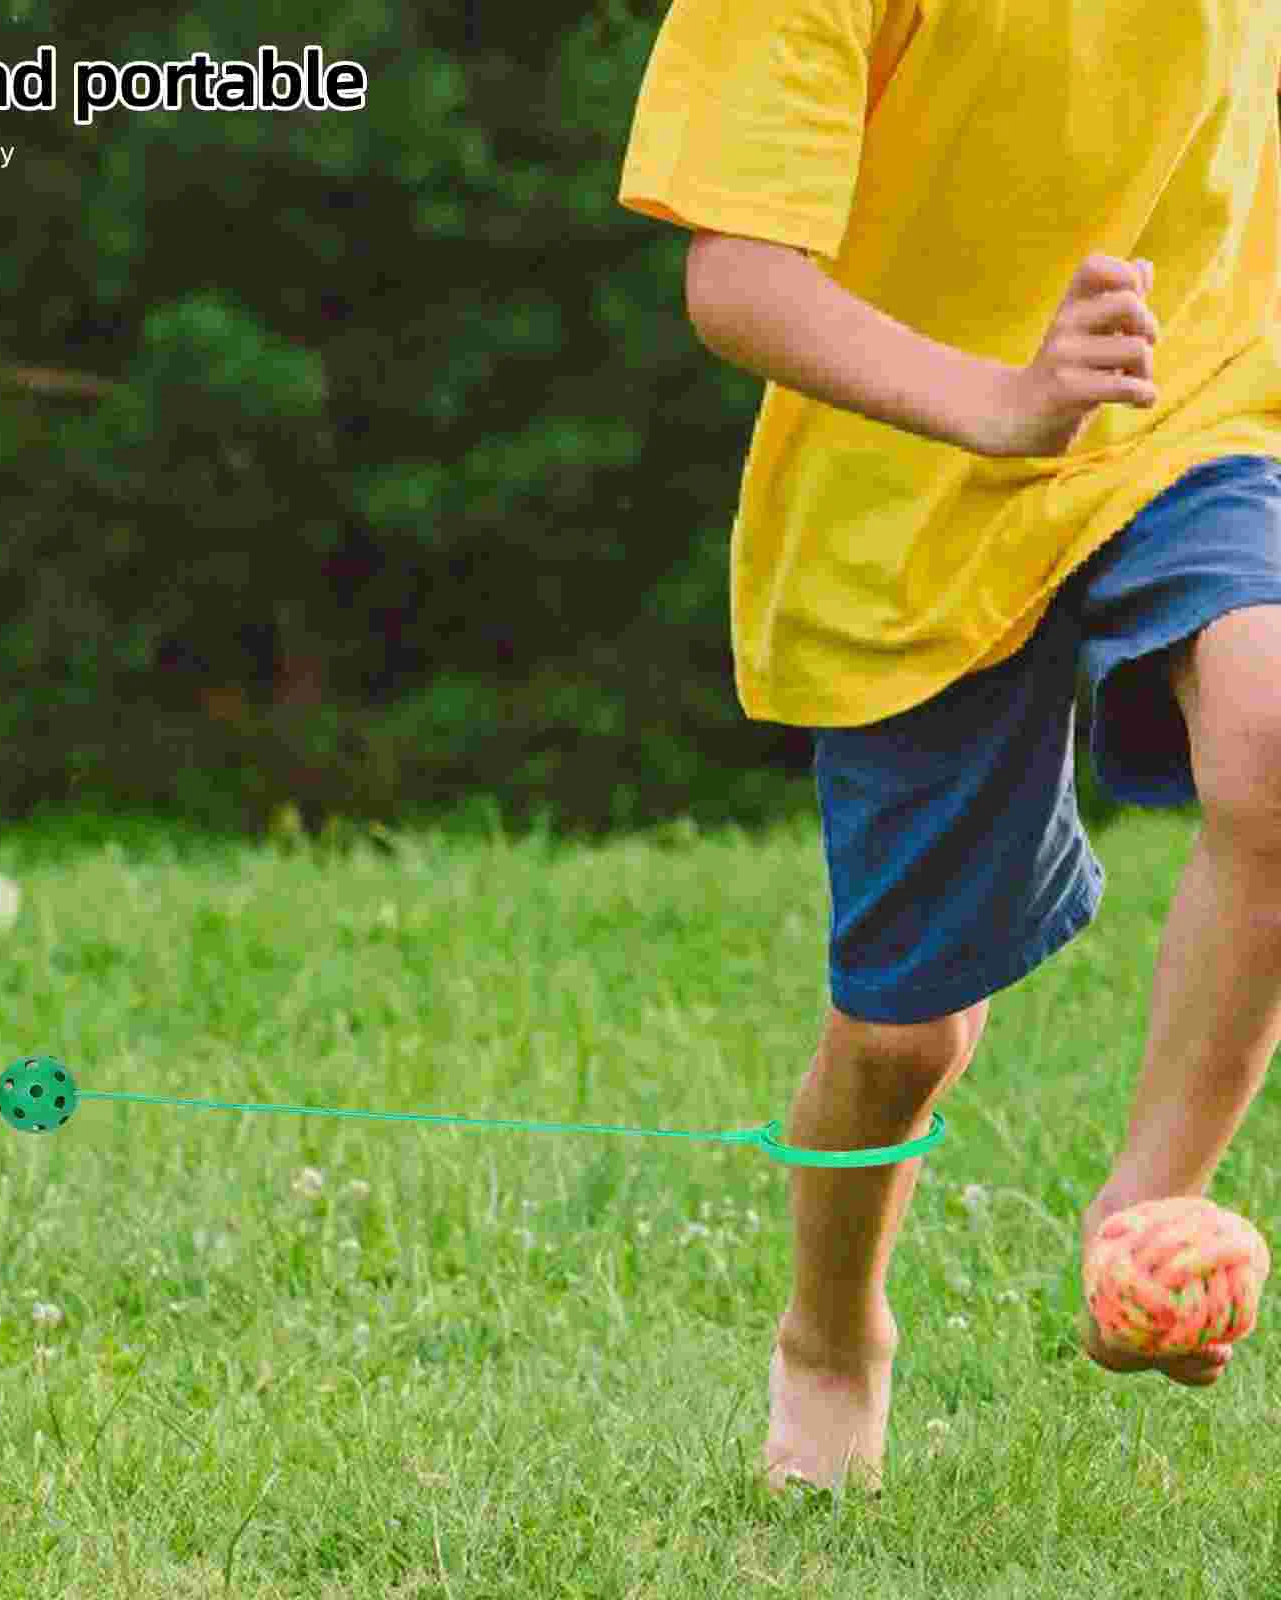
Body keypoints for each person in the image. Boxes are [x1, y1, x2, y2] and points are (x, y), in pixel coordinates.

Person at [618, 0, 1281, 1495]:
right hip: (908, 479)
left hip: (1191, 412)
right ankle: (833, 1329)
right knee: (901, 1039)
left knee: (1273, 727)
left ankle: (1145, 1213)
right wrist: (999, 401)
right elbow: (737, 277)